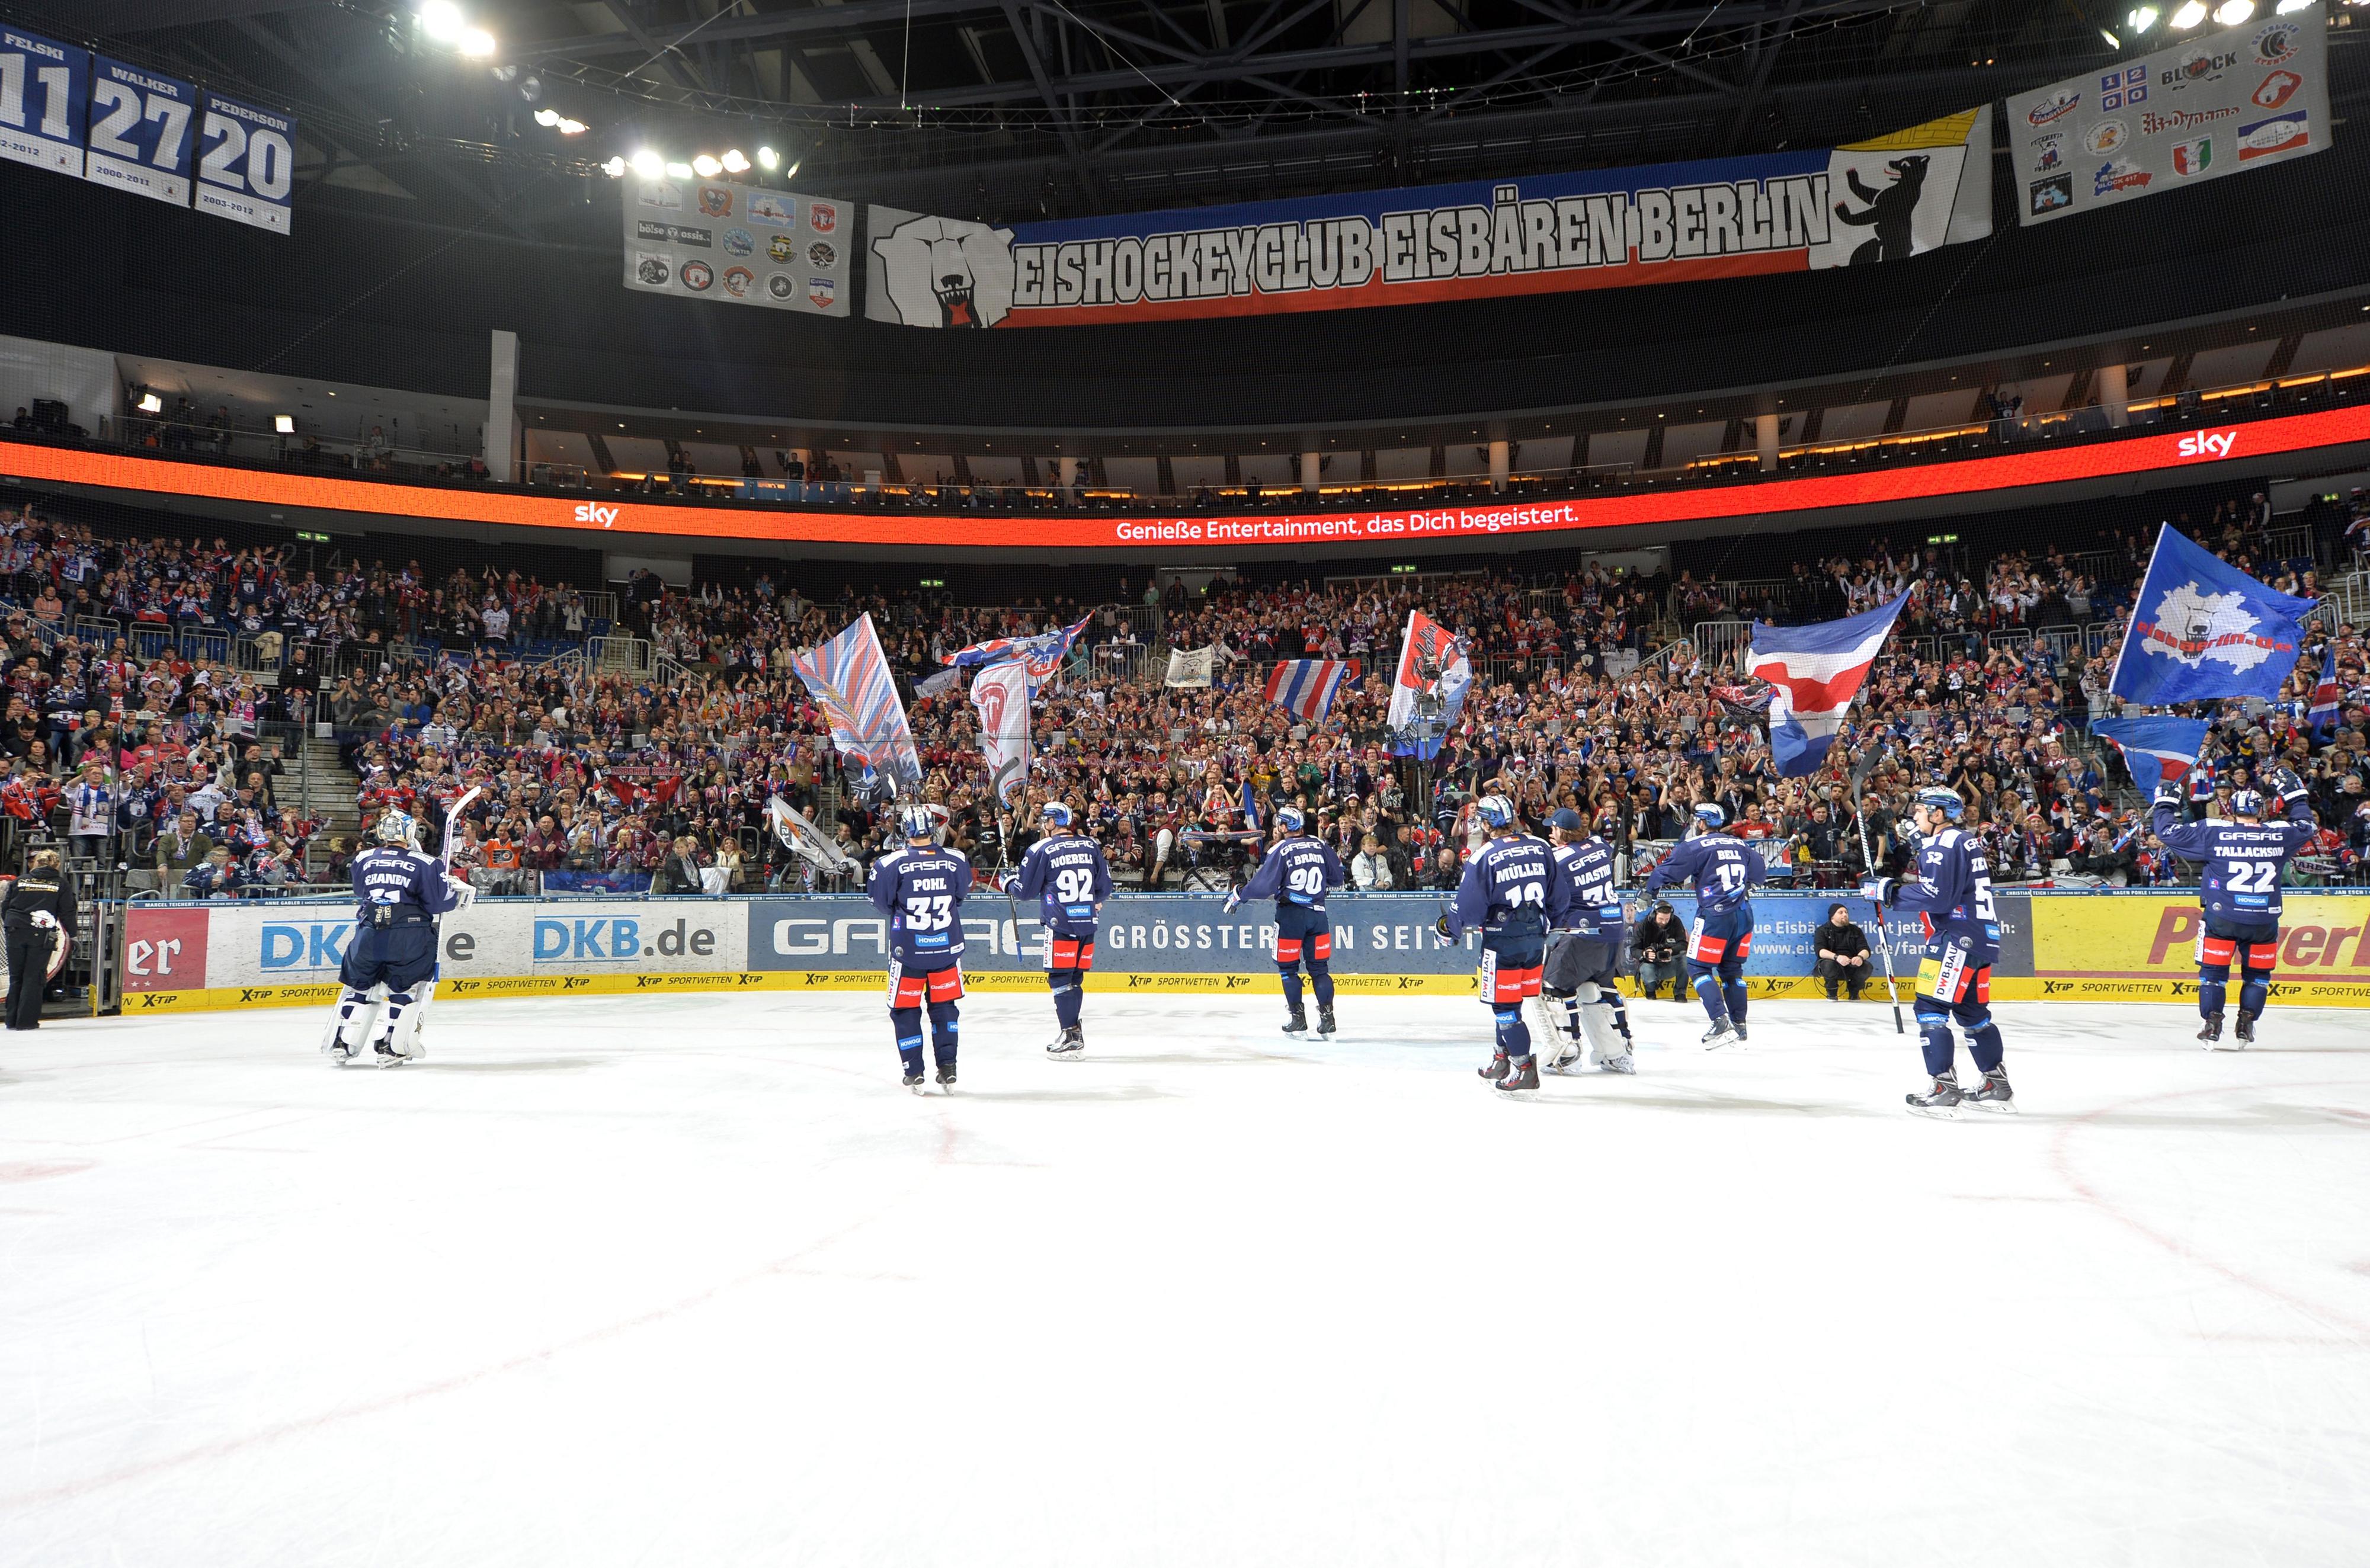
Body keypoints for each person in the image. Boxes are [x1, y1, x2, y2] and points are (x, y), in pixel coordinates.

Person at [2149, 768, 2317, 1047]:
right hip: (2264, 921)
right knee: (2259, 977)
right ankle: (2247, 1023)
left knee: (2213, 975)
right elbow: (2306, 826)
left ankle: (2213, 1024)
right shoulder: (2279, 834)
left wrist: (2166, 804)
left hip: (2222, 917)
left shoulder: (2215, 831)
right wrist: (2297, 797)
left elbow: (2167, 832)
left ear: (2233, 811)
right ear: (2260, 812)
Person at [1875, 787, 2012, 1114]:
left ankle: (1943, 1088)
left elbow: (1938, 896)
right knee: (1972, 1013)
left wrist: (1888, 892)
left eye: (1920, 811)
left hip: (1956, 936)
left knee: (1929, 1007)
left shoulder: (1943, 843)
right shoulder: (1963, 840)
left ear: (1938, 815)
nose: (1915, 816)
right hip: (1982, 938)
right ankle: (1996, 1084)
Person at [319, 810, 474, 1067]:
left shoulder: (363, 857)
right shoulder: (426, 862)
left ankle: (341, 1041)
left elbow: (361, 890)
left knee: (359, 986)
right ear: (410, 832)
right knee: (404, 987)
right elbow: (437, 904)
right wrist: (452, 892)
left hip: (368, 934)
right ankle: (391, 1045)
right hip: (408, 935)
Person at [1438, 794, 1568, 1095]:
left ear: (1486, 823)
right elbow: (1559, 897)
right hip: (1536, 940)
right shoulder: (1540, 846)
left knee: (1504, 1008)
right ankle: (1502, 1058)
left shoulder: (1484, 854)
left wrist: (1450, 929)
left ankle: (1524, 1068)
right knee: (1512, 1001)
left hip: (1502, 942)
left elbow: (1467, 908)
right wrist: (1544, 925)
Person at [866, 801, 972, 1091]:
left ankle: (914, 1070)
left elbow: (882, 904)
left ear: (905, 830)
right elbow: (960, 896)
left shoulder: (890, 863)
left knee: (905, 1010)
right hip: (946, 950)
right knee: (945, 1008)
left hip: (909, 952)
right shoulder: (956, 859)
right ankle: (948, 1067)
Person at [1644, 803, 1767, 1047]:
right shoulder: (1741, 845)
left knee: (1698, 968)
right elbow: (1759, 874)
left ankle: (1720, 1020)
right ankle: (1739, 1026)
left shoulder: (1694, 846)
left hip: (1715, 915)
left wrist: (1649, 891)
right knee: (1733, 972)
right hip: (1744, 915)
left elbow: (1667, 872)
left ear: (1701, 823)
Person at [1003, 799, 1112, 1057]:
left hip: (1060, 923)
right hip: (1087, 922)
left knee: (1060, 979)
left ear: (1052, 822)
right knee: (1075, 978)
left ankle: (1070, 1034)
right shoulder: (1090, 845)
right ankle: (1073, 1032)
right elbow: (1105, 888)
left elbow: (1025, 891)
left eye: (1045, 820)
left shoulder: (1041, 849)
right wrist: (1096, 902)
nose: (1043, 825)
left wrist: (1008, 882)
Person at [1226, 804, 1346, 1036]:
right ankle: (1328, 1019)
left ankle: (1298, 1018)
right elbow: (1337, 877)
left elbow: (1263, 885)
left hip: (1291, 916)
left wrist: (1241, 895)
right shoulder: (1319, 844)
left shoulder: (1281, 849)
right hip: (1319, 915)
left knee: (1288, 969)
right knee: (1320, 970)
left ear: (1284, 826)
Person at [1539, 806, 1634, 1075]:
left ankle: (1567, 1055)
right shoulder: (1599, 844)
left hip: (1581, 932)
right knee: (1601, 989)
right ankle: (1619, 1052)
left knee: (1556, 988)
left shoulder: (1556, 858)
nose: (1550, 832)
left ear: (1562, 832)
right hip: (1613, 928)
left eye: (1553, 828)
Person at [2, 845, 75, 1030]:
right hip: (40, 935)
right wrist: (73, 936)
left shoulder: (20, 880)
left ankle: (11, 1020)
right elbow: (67, 912)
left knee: (16, 977)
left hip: (15, 931)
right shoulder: (60, 884)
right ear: (57, 865)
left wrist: (12, 925)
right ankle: (26, 1021)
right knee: (33, 977)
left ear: (35, 864)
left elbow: (6, 907)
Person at [1629, 902, 1686, 1000]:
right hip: (1650, 964)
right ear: (1654, 915)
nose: (1664, 922)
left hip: (1670, 963)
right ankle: (1650, 991)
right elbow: (1634, 950)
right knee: (1647, 970)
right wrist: (1644, 954)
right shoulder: (1643, 925)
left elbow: (1683, 944)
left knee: (1685, 960)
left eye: (1667, 919)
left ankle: (1680, 993)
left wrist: (1671, 951)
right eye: (1661, 919)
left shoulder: (1676, 922)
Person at [1814, 903, 1871, 1001]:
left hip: (1851, 964)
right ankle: (1832, 993)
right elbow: (1820, 951)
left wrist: (1860, 958)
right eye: (1841, 913)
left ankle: (1854, 992)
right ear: (1832, 916)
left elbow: (1865, 949)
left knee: (1867, 966)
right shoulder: (1822, 931)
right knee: (1828, 964)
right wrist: (1837, 957)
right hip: (1833, 964)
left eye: (1846, 912)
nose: (1845, 915)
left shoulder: (1855, 930)